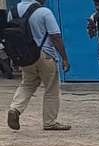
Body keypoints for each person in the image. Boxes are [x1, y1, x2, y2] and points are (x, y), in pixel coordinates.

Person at [6, 0, 71, 131]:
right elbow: (55, 36)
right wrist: (64, 58)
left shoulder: (12, 12)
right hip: (45, 54)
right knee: (51, 88)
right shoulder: (44, 12)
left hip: (26, 56)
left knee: (27, 84)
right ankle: (49, 122)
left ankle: (15, 109)